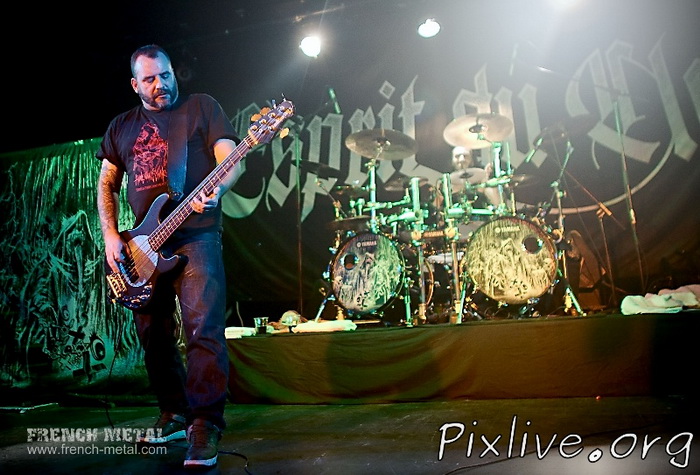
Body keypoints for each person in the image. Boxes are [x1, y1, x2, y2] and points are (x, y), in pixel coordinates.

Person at [96, 44, 242, 468]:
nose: (160, 84)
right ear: (134, 84)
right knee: (154, 337)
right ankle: (174, 413)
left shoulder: (201, 107)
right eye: (150, 79)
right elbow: (106, 184)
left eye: (165, 74)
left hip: (196, 235)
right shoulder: (121, 126)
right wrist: (111, 235)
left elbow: (231, 160)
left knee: (203, 330)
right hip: (143, 245)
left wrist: (219, 189)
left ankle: (205, 423)